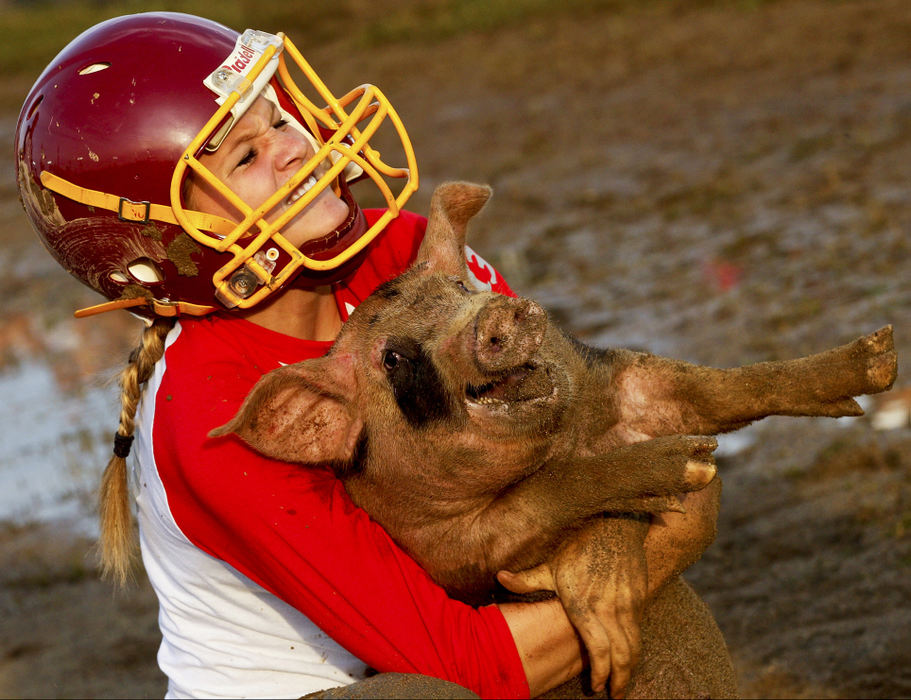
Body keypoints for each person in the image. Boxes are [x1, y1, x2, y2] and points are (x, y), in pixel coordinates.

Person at [15, 12, 721, 699]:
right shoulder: (213, 408)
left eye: (279, 121)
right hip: (328, 687)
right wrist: (659, 540)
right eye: (245, 156)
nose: (294, 147)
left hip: (449, 620)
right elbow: (466, 666)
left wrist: (617, 528)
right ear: (164, 247)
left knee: (650, 607)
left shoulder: (402, 249)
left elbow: (570, 445)